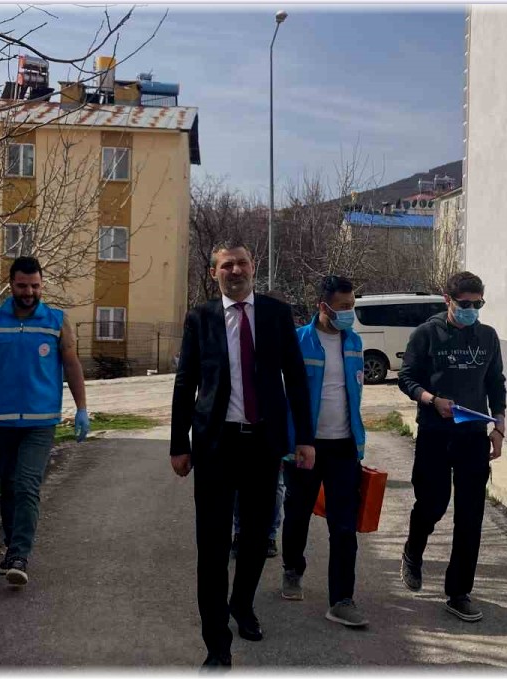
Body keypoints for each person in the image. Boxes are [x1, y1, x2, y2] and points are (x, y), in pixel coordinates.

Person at [169, 240, 315, 668]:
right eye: (226, 265)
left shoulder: (276, 313)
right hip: (216, 444)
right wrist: (180, 445)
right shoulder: (201, 318)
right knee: (212, 545)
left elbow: (295, 380)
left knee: (255, 538)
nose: (236, 270)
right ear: (215, 272)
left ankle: (242, 605)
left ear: (254, 267)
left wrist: (304, 437)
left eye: (242, 263)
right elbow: (185, 383)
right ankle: (217, 646)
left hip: (263, 444)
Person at [0, 256, 90, 587]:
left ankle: (18, 555)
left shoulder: (56, 321)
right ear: (10, 285)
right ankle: (13, 547)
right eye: (23, 285)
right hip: (2, 420)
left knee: (27, 485)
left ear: (42, 285)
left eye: (35, 286)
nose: (29, 292)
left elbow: (72, 365)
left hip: (41, 421)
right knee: (9, 487)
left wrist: (82, 408)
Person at [397, 271, 506, 623]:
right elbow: (406, 377)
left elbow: (495, 381)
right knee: (432, 503)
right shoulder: (426, 334)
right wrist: (431, 399)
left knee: (471, 515)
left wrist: (499, 423)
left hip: (473, 433)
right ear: (448, 299)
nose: (472, 309)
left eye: (478, 304)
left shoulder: (487, 337)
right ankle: (414, 549)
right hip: (435, 432)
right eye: (465, 304)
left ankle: (459, 591)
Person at [279, 275, 369, 627]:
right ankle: (292, 567)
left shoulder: (355, 343)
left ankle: (342, 598)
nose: (349, 314)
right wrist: (289, 442)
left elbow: (356, 394)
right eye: (343, 307)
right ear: (323, 306)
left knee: (344, 526)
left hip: (344, 447)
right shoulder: (297, 341)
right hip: (304, 447)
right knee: (298, 513)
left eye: (352, 307)